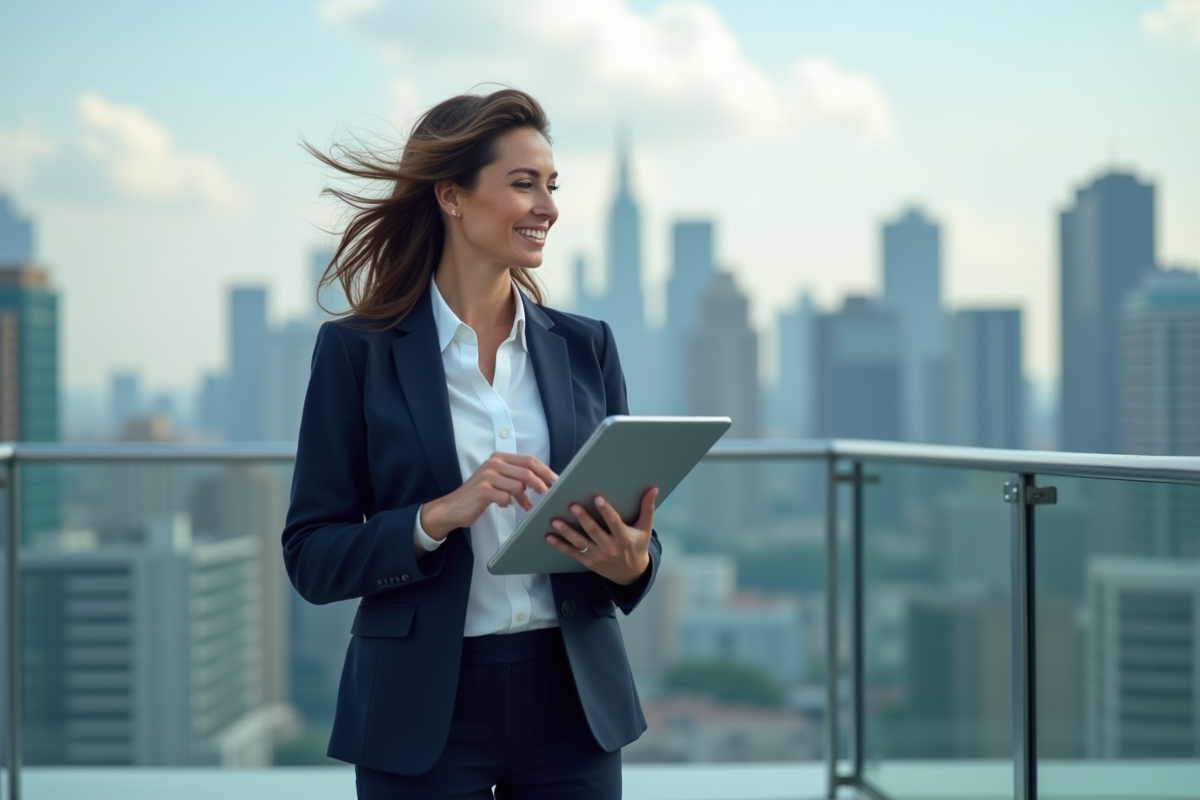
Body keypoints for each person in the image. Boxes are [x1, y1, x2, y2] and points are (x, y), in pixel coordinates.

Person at [282, 88, 660, 800]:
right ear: (451, 198)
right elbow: (311, 556)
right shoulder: (357, 354)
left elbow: (636, 532)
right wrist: (436, 518)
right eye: (523, 185)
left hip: (572, 706)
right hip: (421, 707)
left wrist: (632, 560)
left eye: (551, 186)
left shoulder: (587, 347)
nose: (547, 206)